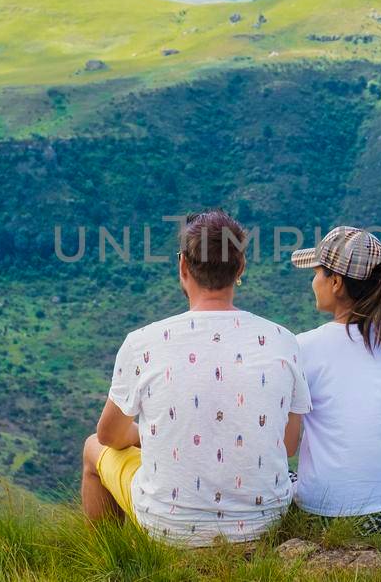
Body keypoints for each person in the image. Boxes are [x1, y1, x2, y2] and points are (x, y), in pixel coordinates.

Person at [81, 210, 311, 547]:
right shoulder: (283, 340)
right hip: (264, 521)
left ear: (183, 267)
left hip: (168, 527)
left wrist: (155, 434)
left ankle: (114, 558)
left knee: (93, 448)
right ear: (241, 268)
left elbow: (109, 435)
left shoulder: (143, 342)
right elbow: (287, 444)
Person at [289, 226, 381, 534]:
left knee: (283, 476)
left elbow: (286, 443)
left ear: (336, 282)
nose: (313, 282)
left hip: (324, 516)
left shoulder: (304, 347)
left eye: (317, 272)